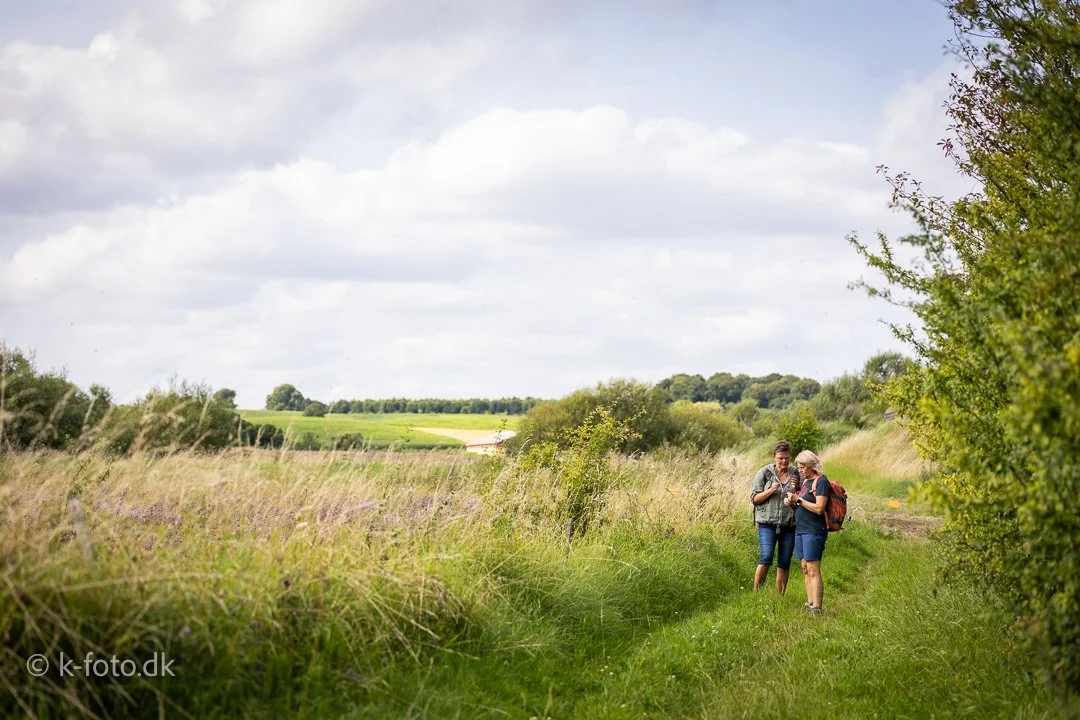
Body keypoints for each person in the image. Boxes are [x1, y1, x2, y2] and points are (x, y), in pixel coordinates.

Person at [749, 441, 800, 593]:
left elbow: (803, 499)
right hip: (767, 524)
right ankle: (756, 594)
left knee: (784, 563)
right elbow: (754, 499)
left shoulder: (797, 474)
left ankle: (780, 598)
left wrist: (795, 490)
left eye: (786, 458)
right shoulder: (764, 473)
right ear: (774, 458)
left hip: (789, 524)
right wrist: (771, 490)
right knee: (765, 559)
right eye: (780, 458)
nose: (783, 461)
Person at [788, 449, 829, 614]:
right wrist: (792, 502)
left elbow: (819, 508)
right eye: (798, 467)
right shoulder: (804, 483)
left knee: (813, 568)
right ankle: (810, 603)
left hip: (814, 531)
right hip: (800, 530)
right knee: (805, 567)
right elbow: (802, 504)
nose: (800, 470)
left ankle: (817, 607)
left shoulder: (821, 482)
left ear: (812, 465)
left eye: (803, 467)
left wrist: (798, 499)